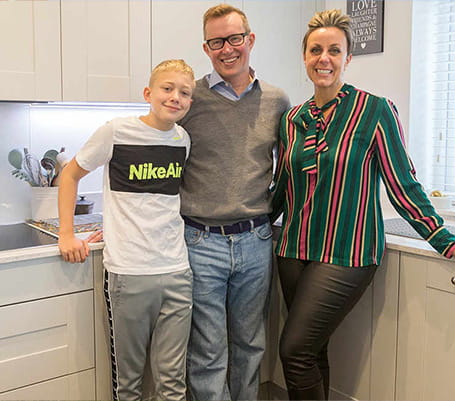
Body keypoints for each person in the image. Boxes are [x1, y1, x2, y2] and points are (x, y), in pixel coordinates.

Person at [269, 9, 455, 400]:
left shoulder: (375, 110)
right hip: (293, 247)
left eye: (333, 50)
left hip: (349, 250)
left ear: (348, 58)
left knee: (293, 350)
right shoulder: (291, 118)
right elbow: (282, 187)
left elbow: (402, 183)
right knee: (312, 351)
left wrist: (444, 239)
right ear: (305, 57)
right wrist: (248, 225)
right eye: (315, 50)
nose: (323, 58)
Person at [56, 59, 197, 401]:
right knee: (128, 384)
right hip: (128, 274)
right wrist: (65, 233)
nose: (175, 97)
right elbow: (69, 176)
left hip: (177, 270)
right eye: (167, 88)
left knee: (173, 385)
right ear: (148, 93)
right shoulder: (115, 131)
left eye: (184, 93)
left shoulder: (183, 140)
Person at [178, 4, 290, 401]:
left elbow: (289, 166)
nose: (227, 49)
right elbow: (155, 150)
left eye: (234, 38)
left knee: (250, 344)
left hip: (256, 240)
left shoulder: (277, 100)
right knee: (207, 349)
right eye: (216, 42)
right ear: (206, 47)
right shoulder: (188, 98)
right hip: (199, 240)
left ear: (250, 40)